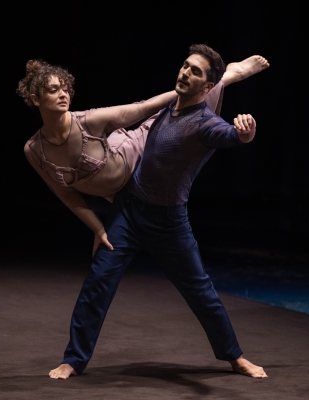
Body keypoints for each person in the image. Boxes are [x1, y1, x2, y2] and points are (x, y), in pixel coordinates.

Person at [48, 44, 269, 381]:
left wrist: (245, 134)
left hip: (168, 223)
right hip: (128, 213)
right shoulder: (167, 106)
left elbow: (227, 135)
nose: (185, 72)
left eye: (195, 72)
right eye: (185, 65)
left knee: (201, 292)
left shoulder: (205, 123)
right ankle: (74, 360)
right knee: (98, 283)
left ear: (208, 86)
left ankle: (235, 356)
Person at [18, 56, 269, 255]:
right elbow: (66, 194)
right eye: (54, 90)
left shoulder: (88, 120)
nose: (64, 94)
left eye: (66, 89)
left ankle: (230, 75)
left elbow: (143, 107)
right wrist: (98, 228)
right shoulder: (34, 150)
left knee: (178, 118)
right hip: (123, 194)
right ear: (36, 99)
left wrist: (190, 94)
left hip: (133, 150)